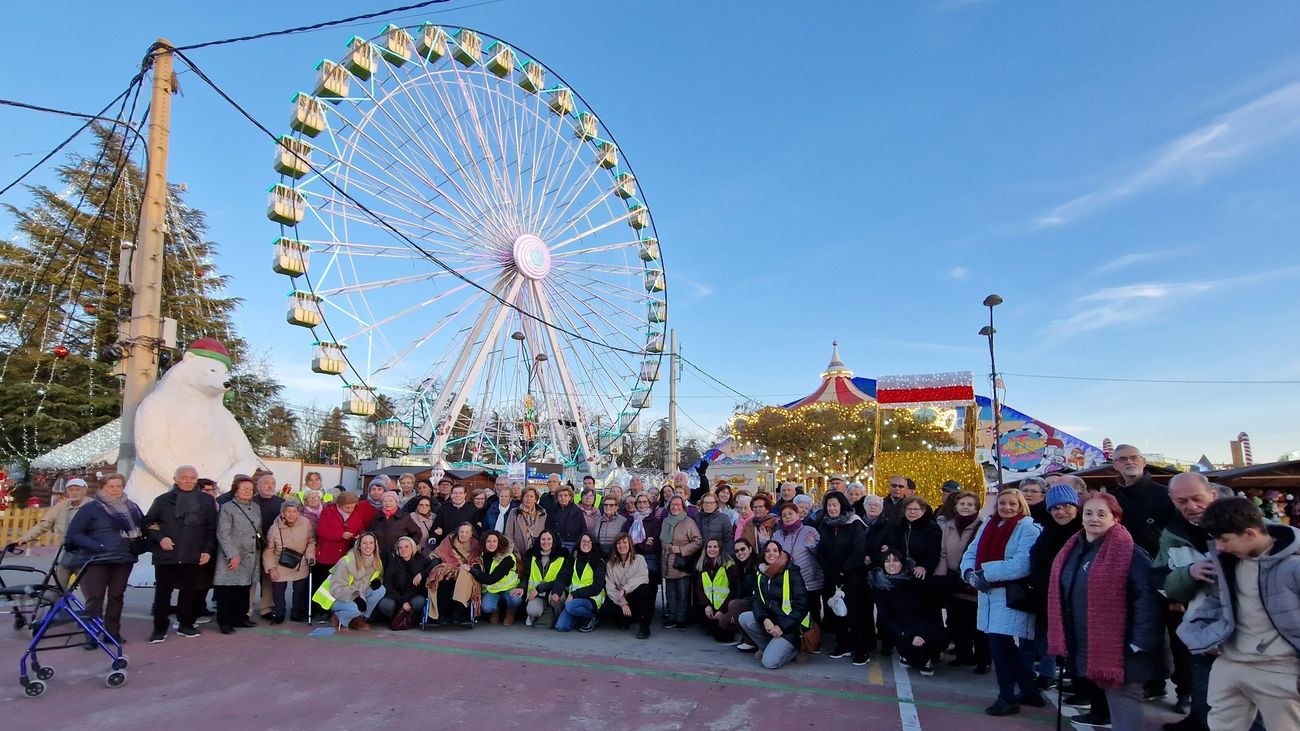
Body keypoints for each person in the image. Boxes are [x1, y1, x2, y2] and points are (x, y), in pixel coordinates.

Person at [1049, 493, 1170, 730]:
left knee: (1124, 703)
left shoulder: (1130, 553)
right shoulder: (1075, 549)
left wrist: (1139, 643)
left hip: (1125, 648)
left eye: (1102, 513)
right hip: (1091, 644)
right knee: (1115, 705)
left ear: (1115, 518)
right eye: (1088, 513)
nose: (1094, 518)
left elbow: (1148, 600)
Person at [1179, 497, 1300, 731]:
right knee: (1220, 725)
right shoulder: (1228, 562)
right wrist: (1195, 634)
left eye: (1224, 540)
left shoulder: (1293, 567)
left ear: (1250, 534)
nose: (1220, 547)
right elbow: (1215, 602)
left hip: (1279, 668)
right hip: (1229, 662)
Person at [1156, 474, 1250, 731]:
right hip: (1203, 633)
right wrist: (1188, 574)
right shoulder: (1172, 534)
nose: (1191, 506)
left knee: (1252, 706)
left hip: (1251, 634)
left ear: (1212, 494)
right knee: (1204, 695)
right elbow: (1162, 582)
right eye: (1182, 501)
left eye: (1197, 498)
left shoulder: (1251, 523)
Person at [960, 488, 1045, 716]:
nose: (1007, 507)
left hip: (1011, 595)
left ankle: (1006, 697)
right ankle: (1029, 691)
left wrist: (984, 573)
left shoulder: (1028, 528)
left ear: (1020, 506)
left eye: (1012, 504)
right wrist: (969, 573)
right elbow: (971, 552)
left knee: (1000, 648)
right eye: (1002, 503)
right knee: (1005, 648)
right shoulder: (988, 525)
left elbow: (1021, 564)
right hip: (987, 593)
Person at [63, 472, 143, 644]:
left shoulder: (132, 507)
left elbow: (142, 527)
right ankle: (91, 635)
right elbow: (74, 534)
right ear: (102, 488)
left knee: (116, 597)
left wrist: (140, 544)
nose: (115, 490)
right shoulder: (91, 508)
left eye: (119, 486)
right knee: (95, 598)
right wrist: (97, 546)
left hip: (123, 559)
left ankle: (112, 634)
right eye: (111, 486)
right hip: (96, 560)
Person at [143, 465, 217, 643]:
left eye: (192, 477)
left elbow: (211, 528)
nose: (188, 480)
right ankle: (159, 630)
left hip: (193, 554)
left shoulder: (206, 501)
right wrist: (160, 538)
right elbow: (149, 523)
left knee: (189, 593)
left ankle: (186, 625)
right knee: (163, 594)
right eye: (184, 477)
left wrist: (207, 550)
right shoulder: (162, 500)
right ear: (175, 479)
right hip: (166, 555)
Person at [1026, 485, 1082, 688]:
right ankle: (1047, 672)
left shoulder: (1084, 531)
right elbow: (1037, 558)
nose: (1061, 512)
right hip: (1048, 593)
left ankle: (1078, 680)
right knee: (1047, 634)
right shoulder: (1048, 531)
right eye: (1055, 508)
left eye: (1066, 506)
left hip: (1076, 596)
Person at [935, 490, 988, 672]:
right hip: (953, 580)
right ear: (956, 506)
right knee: (957, 621)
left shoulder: (983, 526)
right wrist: (941, 578)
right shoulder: (948, 526)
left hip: (971, 580)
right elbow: (942, 552)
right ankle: (963, 655)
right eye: (962, 504)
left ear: (977, 507)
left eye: (970, 504)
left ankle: (983, 660)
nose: (966, 507)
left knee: (977, 624)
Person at [871, 549, 945, 676]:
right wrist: (907, 634)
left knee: (930, 641)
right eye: (887, 561)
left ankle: (927, 657)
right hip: (902, 630)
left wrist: (921, 634)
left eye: (895, 561)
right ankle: (908, 654)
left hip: (922, 627)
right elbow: (886, 618)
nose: (891, 564)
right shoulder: (880, 586)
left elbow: (928, 611)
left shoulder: (915, 581)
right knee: (910, 652)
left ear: (902, 563)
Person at [739, 540, 809, 670]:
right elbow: (757, 600)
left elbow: (802, 606)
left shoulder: (792, 572)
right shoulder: (760, 572)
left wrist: (782, 627)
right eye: (767, 551)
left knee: (769, 663)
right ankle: (769, 648)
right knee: (744, 618)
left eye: (775, 550)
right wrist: (764, 619)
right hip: (771, 623)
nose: (771, 554)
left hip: (790, 628)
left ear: (781, 553)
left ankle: (792, 651)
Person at [20, 476, 89, 588]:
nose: (74, 493)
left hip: (86, 556)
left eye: (78, 489)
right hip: (65, 553)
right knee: (56, 589)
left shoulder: (93, 505)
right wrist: (25, 538)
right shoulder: (61, 506)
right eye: (71, 490)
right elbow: (44, 524)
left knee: (91, 592)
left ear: (85, 490)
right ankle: (58, 604)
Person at [214, 476, 262, 635]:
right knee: (227, 590)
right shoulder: (227, 507)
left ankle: (240, 618)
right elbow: (223, 533)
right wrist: (232, 554)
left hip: (250, 555)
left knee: (243, 589)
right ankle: (224, 622)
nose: (248, 491)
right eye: (244, 488)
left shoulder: (255, 507)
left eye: (250, 489)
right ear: (235, 490)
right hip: (232, 555)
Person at [313, 492, 369, 620]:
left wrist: (359, 535)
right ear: (339, 505)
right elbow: (322, 531)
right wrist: (340, 535)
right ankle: (321, 611)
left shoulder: (357, 512)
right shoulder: (328, 511)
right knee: (324, 584)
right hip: (328, 554)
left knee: (341, 584)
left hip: (345, 555)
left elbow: (361, 528)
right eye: (347, 508)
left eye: (352, 507)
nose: (350, 510)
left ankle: (337, 609)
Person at [773, 501, 823, 636]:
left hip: (809, 578)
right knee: (794, 610)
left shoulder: (810, 530)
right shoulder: (777, 534)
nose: (788, 517)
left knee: (813, 610)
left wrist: (812, 545)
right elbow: (772, 554)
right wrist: (764, 542)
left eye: (790, 513)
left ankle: (815, 638)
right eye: (784, 515)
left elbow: (821, 554)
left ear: (797, 515)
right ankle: (797, 638)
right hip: (787, 579)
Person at [263, 498, 316, 624]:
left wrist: (310, 556)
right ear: (283, 513)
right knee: (278, 590)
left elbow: (311, 541)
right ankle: (279, 614)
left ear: (299, 513)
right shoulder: (275, 528)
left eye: (294, 512)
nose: (291, 514)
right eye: (288, 512)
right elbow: (269, 550)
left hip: (300, 561)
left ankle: (296, 613)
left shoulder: (305, 523)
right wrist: (271, 568)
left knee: (299, 590)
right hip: (279, 561)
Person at [318, 532, 384, 631]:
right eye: (364, 543)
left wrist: (379, 580)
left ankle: (359, 619)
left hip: (359, 593)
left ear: (375, 546)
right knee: (355, 609)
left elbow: (379, 575)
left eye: (371, 543)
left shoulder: (376, 561)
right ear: (359, 546)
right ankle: (340, 618)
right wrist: (355, 598)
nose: (368, 546)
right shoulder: (347, 561)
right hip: (336, 596)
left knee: (380, 590)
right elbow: (336, 588)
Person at [660, 495, 703, 629]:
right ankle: (672, 616)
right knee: (670, 592)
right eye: (672, 504)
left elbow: (698, 541)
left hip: (681, 563)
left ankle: (681, 618)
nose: (675, 507)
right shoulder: (666, 521)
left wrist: (681, 549)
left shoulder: (689, 522)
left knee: (683, 593)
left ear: (683, 506)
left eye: (678, 504)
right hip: (667, 562)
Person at [426, 522, 480, 626]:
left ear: (471, 534)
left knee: (464, 579)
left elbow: (478, 560)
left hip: (465, 570)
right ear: (458, 532)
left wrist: (469, 568)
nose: (464, 534)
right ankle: (442, 615)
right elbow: (436, 554)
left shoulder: (475, 544)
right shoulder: (449, 541)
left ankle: (458, 614)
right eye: (462, 532)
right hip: (448, 568)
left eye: (467, 532)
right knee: (443, 580)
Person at [371, 536, 431, 628]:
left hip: (413, 595)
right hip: (396, 596)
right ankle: (395, 618)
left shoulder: (420, 560)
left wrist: (421, 574)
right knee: (385, 605)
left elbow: (436, 562)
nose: (404, 550)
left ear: (412, 547)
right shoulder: (393, 562)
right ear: (398, 550)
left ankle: (411, 617)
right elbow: (389, 585)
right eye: (400, 548)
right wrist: (402, 602)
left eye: (406, 547)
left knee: (420, 601)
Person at [605, 532, 654, 638]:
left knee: (644, 590)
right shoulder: (610, 564)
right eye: (618, 543)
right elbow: (609, 587)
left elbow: (643, 577)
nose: (622, 545)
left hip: (635, 597)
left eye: (624, 542)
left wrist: (625, 589)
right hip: (620, 600)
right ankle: (627, 619)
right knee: (606, 611)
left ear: (630, 544)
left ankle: (644, 627)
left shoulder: (639, 559)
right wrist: (622, 602)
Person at [555, 533, 606, 632]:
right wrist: (556, 592)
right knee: (561, 626)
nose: (586, 543)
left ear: (593, 544)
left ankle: (593, 617)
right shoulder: (574, 559)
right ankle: (582, 618)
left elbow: (597, 587)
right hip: (575, 600)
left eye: (589, 541)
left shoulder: (599, 562)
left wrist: (574, 594)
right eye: (583, 541)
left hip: (592, 599)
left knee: (570, 606)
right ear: (579, 543)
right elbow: (563, 577)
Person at [471, 530, 520, 625]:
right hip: (491, 590)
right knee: (486, 607)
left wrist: (472, 570)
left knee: (515, 600)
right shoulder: (481, 556)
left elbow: (491, 579)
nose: (491, 544)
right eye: (488, 541)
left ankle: (510, 612)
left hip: (509, 588)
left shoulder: (508, 557)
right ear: (484, 543)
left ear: (499, 543)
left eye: (494, 541)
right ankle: (495, 610)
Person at [523, 529, 569, 628]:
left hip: (555, 591)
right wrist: (520, 588)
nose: (546, 542)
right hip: (537, 595)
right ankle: (543, 616)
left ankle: (556, 618)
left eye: (549, 539)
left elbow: (561, 580)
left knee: (555, 598)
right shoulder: (532, 557)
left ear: (554, 541)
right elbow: (525, 576)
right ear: (539, 541)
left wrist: (540, 588)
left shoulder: (562, 557)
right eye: (543, 539)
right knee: (532, 610)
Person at [695, 537, 737, 642]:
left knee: (723, 637)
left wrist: (722, 610)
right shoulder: (701, 566)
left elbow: (733, 590)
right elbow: (699, 588)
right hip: (709, 608)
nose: (712, 549)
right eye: (709, 547)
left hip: (724, 607)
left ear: (720, 549)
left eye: (715, 547)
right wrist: (706, 606)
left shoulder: (729, 565)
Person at [720, 538, 759, 648]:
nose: (740, 553)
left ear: (750, 549)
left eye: (743, 549)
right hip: (745, 602)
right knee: (724, 621)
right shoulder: (738, 566)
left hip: (756, 604)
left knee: (734, 605)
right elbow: (738, 590)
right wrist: (733, 611)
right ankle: (746, 635)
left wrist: (736, 608)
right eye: (737, 551)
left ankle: (750, 641)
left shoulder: (757, 566)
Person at [628, 493, 663, 588]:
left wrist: (637, 544)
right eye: (639, 502)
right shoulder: (631, 520)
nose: (642, 504)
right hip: (633, 558)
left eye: (644, 502)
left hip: (649, 559)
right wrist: (643, 543)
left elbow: (654, 544)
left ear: (649, 504)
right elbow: (626, 539)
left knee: (650, 588)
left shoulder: (655, 521)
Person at [369, 491, 419, 558]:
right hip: (379, 554)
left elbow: (417, 533)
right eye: (385, 501)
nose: (388, 503)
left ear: (396, 502)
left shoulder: (404, 517)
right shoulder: (376, 516)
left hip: (398, 555)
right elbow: (370, 532)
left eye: (391, 501)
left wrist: (408, 546)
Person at [505, 486, 547, 555]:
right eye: (526, 496)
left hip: (537, 552)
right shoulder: (514, 512)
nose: (528, 498)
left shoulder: (543, 513)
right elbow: (508, 534)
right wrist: (514, 551)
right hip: (518, 552)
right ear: (522, 498)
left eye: (531, 496)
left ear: (535, 499)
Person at [694, 491, 733, 557]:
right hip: (700, 556)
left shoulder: (724, 518)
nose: (708, 505)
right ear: (702, 504)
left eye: (711, 503)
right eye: (706, 503)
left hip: (719, 555)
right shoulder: (696, 517)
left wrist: (727, 556)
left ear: (716, 504)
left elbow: (728, 539)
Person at [549, 486, 587, 551]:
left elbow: (583, 530)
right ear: (557, 498)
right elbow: (548, 529)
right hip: (556, 547)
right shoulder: (552, 512)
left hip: (573, 547)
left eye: (566, 495)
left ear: (570, 497)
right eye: (560, 496)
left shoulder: (578, 512)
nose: (563, 498)